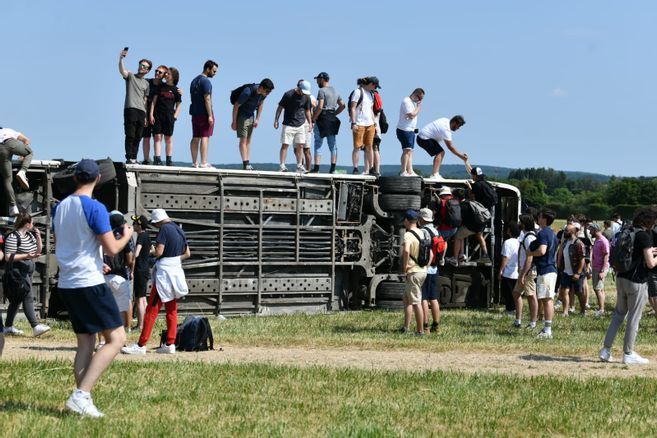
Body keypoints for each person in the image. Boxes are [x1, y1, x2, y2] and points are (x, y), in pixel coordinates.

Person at [53, 159, 133, 418]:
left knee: (85, 342)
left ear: (76, 178)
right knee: (116, 339)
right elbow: (112, 248)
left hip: (67, 281)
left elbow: (67, 243)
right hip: (89, 282)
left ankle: (81, 401)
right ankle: (81, 395)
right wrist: (126, 237)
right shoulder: (96, 208)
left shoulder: (61, 207)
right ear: (98, 179)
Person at [122, 208, 190, 355]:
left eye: (156, 223)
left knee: (151, 310)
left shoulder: (164, 229)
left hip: (164, 275)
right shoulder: (179, 229)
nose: (156, 226)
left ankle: (141, 345)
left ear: (159, 220)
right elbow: (187, 253)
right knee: (172, 309)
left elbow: (159, 251)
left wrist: (149, 253)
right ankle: (170, 343)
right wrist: (173, 260)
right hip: (176, 272)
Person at [600, 207, 657, 365]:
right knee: (634, 317)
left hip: (621, 277)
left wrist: (649, 251)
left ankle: (606, 350)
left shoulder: (629, 231)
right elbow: (651, 264)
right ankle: (628, 353)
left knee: (618, 315)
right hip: (637, 281)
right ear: (650, 221)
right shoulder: (644, 236)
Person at [3, 213, 51, 337]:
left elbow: (38, 251)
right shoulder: (13, 236)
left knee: (16, 300)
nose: (33, 225)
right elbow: (8, 257)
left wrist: (39, 238)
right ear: (27, 224)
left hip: (27, 272)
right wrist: (26, 256)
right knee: (28, 297)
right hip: (18, 272)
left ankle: (8, 326)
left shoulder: (29, 235)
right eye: (32, 222)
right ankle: (35, 326)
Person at [526, 208, 558, 339]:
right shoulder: (551, 233)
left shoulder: (543, 233)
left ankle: (547, 330)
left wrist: (530, 253)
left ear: (544, 219)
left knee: (547, 300)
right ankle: (546, 328)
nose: (537, 219)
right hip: (549, 269)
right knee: (546, 299)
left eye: (539, 217)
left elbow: (542, 251)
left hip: (546, 269)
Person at [231, 79, 275, 170]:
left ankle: (247, 162)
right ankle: (245, 163)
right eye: (267, 91)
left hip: (251, 116)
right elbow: (236, 105)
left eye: (270, 92)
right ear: (261, 87)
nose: (268, 93)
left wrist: (258, 119)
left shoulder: (264, 94)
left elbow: (261, 105)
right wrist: (234, 122)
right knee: (243, 140)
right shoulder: (248, 92)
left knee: (248, 141)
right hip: (242, 116)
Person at [102, 212, 135, 331]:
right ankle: (124, 331)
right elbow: (130, 258)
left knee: (104, 307)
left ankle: (102, 340)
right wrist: (128, 267)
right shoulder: (124, 237)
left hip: (103, 275)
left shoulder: (103, 235)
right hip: (119, 275)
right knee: (123, 305)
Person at [118, 48, 151, 164]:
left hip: (141, 111)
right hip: (130, 109)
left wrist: (146, 115)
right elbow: (123, 71)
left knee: (138, 136)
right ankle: (129, 157)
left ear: (147, 71)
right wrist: (121, 58)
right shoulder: (131, 76)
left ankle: (134, 157)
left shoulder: (146, 83)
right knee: (130, 134)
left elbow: (145, 100)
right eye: (141, 65)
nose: (142, 67)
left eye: (145, 67)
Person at [401, 209, 429, 335]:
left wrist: (405, 265)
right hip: (422, 270)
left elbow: (406, 250)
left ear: (407, 220)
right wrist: (425, 266)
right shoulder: (423, 233)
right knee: (407, 299)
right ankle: (405, 328)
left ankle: (420, 331)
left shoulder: (408, 235)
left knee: (416, 302)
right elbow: (431, 253)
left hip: (413, 271)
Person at [274, 80, 312, 172]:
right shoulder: (288, 94)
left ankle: (299, 165)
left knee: (300, 146)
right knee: (285, 145)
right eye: (303, 91)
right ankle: (282, 165)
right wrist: (276, 120)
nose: (304, 94)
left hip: (301, 124)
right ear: (299, 88)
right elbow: (280, 107)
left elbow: (307, 110)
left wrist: (310, 123)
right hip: (288, 124)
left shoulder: (306, 97)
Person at [310, 72, 344, 174]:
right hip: (332, 118)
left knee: (318, 143)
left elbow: (320, 106)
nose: (316, 82)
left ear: (322, 79)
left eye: (317, 80)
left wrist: (313, 118)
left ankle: (316, 168)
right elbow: (342, 105)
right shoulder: (335, 91)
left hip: (322, 118)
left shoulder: (321, 91)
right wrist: (334, 114)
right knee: (332, 145)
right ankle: (332, 169)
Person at [150, 67, 182, 166]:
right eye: (166, 73)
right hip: (158, 115)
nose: (166, 75)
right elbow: (153, 102)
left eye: (168, 73)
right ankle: (157, 159)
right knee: (157, 137)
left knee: (168, 138)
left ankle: (169, 160)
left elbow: (179, 104)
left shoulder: (177, 90)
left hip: (169, 116)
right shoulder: (160, 87)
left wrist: (175, 116)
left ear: (173, 77)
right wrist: (151, 114)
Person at [189, 60, 218, 168]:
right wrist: (210, 115)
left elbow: (192, 97)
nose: (214, 73)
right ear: (208, 69)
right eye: (214, 71)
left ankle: (194, 162)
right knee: (205, 137)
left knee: (195, 137)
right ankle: (204, 162)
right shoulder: (206, 82)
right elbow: (207, 99)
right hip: (204, 113)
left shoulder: (193, 81)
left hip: (195, 113)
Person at [513, 214, 539, 329]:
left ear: (524, 224)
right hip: (523, 270)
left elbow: (530, 257)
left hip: (527, 272)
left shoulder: (529, 237)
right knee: (516, 293)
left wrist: (523, 274)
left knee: (531, 296)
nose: (519, 224)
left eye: (520, 222)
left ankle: (533, 322)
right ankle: (518, 320)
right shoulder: (526, 235)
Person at [349, 77, 379, 175]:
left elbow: (370, 109)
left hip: (370, 124)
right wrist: (353, 123)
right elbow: (353, 107)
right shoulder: (358, 92)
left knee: (369, 146)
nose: (375, 88)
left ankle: (371, 168)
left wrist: (375, 123)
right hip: (359, 123)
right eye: (375, 86)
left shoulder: (371, 94)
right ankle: (356, 168)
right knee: (357, 146)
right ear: (371, 84)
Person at [0, 127, 32, 216]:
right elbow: (26, 140)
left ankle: (13, 206)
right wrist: (22, 156)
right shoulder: (9, 130)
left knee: (7, 180)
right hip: (11, 142)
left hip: (1, 150)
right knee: (29, 153)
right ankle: (22, 171)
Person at [556, 223, 586, 316]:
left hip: (577, 272)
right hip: (566, 271)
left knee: (579, 292)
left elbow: (582, 259)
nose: (564, 232)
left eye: (566, 231)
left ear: (572, 231)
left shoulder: (579, 244)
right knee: (565, 291)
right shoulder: (565, 242)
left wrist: (578, 273)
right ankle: (565, 311)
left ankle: (583, 310)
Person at [418, 208, 440, 333]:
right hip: (435, 268)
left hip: (425, 268)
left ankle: (425, 325)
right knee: (434, 298)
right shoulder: (436, 231)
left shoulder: (422, 232)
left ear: (421, 219)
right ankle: (436, 325)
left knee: (423, 298)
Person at [141, 65, 168, 164]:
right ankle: (146, 159)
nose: (157, 73)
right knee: (146, 136)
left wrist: (179, 91)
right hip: (145, 111)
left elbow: (173, 90)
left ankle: (157, 158)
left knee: (158, 136)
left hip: (158, 114)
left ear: (164, 75)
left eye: (160, 72)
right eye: (156, 71)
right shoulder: (147, 82)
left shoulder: (164, 86)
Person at [131, 214, 152, 331]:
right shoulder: (147, 236)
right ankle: (144, 324)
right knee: (143, 299)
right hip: (146, 268)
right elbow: (152, 250)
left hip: (139, 269)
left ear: (139, 225)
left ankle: (140, 325)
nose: (133, 225)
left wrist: (132, 267)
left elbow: (137, 253)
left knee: (139, 299)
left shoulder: (140, 236)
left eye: (134, 223)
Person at [396, 88, 424, 176]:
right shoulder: (407, 101)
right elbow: (411, 115)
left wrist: (417, 107)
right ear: (415, 94)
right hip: (404, 130)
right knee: (406, 150)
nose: (420, 100)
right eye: (420, 98)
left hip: (411, 130)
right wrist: (419, 107)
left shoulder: (412, 103)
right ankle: (403, 171)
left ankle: (410, 171)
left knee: (410, 151)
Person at [498, 222, 520, 315]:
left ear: (509, 231)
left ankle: (510, 310)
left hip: (508, 271)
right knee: (515, 292)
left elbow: (506, 257)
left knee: (508, 292)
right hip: (517, 271)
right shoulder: (519, 242)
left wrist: (501, 270)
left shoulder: (507, 242)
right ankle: (514, 308)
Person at [435, 187, 459, 266]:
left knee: (435, 240)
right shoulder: (456, 201)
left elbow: (439, 214)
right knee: (445, 241)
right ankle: (442, 258)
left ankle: (435, 257)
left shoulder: (442, 202)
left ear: (443, 195)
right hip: (454, 228)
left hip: (444, 228)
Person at [589, 223, 609, 317]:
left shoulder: (603, 241)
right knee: (600, 289)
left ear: (596, 230)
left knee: (597, 289)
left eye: (591, 230)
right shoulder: (597, 240)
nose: (589, 232)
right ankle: (601, 307)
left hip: (600, 268)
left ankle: (601, 310)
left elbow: (606, 255)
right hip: (596, 267)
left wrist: (603, 270)